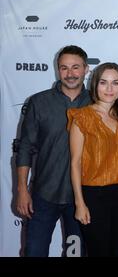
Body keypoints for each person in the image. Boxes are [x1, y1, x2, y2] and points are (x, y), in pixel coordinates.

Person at [15, 45, 91, 257]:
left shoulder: (98, 103)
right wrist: (22, 189)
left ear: (86, 69)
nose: (70, 73)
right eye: (64, 68)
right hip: (42, 197)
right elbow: (25, 148)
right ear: (58, 70)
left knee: (75, 254)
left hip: (81, 199)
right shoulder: (39, 102)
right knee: (34, 252)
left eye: (75, 67)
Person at [68, 62, 118, 257]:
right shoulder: (82, 117)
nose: (109, 88)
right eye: (104, 82)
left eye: (115, 83)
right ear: (95, 85)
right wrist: (80, 203)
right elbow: (75, 163)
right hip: (94, 195)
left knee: (116, 252)